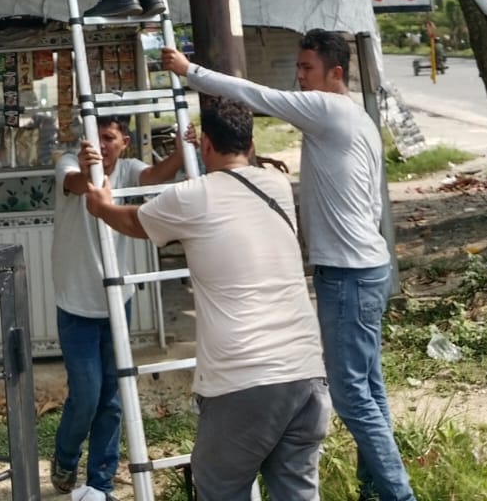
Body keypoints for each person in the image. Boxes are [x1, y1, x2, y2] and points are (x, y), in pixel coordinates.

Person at [162, 31, 417, 501]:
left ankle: (398, 495)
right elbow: (372, 201)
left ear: (335, 73)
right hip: (367, 266)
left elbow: (256, 95)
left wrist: (189, 71)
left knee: (352, 398)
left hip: (348, 273)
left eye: (307, 68)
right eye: (298, 68)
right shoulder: (357, 118)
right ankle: (375, 490)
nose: (299, 77)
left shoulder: (327, 108)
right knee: (368, 389)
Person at [86, 99, 330, 501]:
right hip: (306, 376)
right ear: (251, 144)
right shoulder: (277, 186)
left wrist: (101, 206)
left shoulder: (191, 197)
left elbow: (133, 221)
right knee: (297, 493)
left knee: (220, 489)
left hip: (243, 380)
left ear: (205, 145)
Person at [51, 116, 184, 499]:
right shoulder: (68, 164)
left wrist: (181, 151)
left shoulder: (128, 169)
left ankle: (101, 482)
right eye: (95, 138)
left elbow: (155, 175)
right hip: (76, 304)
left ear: (124, 141)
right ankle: (65, 457)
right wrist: (87, 168)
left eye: (109, 138)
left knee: (112, 398)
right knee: (87, 395)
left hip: (116, 302)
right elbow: (76, 184)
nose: (102, 145)